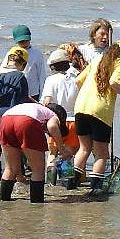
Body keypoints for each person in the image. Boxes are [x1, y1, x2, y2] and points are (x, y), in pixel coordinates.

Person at [68, 42, 120, 193]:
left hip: (81, 107)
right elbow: (115, 82)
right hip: (100, 111)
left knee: (84, 148)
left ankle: (72, 183)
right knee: (101, 153)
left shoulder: (98, 59)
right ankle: (96, 189)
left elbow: (78, 80)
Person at [0, 102, 71, 203]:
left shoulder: (38, 109)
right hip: (27, 121)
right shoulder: (53, 115)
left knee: (10, 168)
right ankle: (37, 205)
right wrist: (62, 150)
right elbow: (52, 126)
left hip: (6, 119)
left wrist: (20, 175)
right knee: (38, 169)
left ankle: (4, 202)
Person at [0, 46, 30, 181]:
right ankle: (19, 179)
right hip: (10, 121)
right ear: (22, 64)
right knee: (16, 153)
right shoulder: (20, 77)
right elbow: (22, 102)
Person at [41, 48, 79, 185]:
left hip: (55, 122)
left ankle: (51, 184)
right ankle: (68, 184)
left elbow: (47, 101)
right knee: (68, 155)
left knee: (52, 154)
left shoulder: (51, 80)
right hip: (74, 121)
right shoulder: (77, 79)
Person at [0, 25, 46, 101]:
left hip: (32, 94)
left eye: (26, 41)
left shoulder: (37, 54)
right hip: (16, 92)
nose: (24, 43)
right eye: (21, 42)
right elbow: (3, 70)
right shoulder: (11, 53)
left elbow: (42, 76)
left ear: (29, 39)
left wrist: (42, 97)